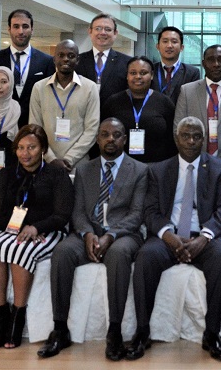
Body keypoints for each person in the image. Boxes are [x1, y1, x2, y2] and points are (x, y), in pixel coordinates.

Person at [37, 118, 148, 360]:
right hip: (89, 230)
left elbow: (137, 214)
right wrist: (87, 233)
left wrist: (110, 235)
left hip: (123, 234)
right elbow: (77, 211)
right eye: (105, 134)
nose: (110, 139)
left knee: (118, 254)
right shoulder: (85, 170)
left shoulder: (140, 170)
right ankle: (60, 329)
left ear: (125, 139)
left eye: (116, 135)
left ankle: (115, 331)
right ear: (97, 139)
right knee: (63, 252)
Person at [128, 116, 221, 362]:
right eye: (185, 136)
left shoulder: (219, 168)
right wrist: (169, 236)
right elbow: (150, 211)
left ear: (204, 140)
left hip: (205, 235)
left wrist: (204, 238)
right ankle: (142, 332)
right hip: (169, 234)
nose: (191, 141)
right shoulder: (158, 170)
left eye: (197, 136)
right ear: (176, 139)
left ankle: (212, 334)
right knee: (145, 257)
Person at [0, 124, 73, 349]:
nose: (25, 153)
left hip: (49, 231)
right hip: (14, 229)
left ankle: (17, 318)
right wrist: (20, 229)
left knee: (20, 249)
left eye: (31, 147)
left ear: (43, 149)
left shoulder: (57, 174)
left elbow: (62, 215)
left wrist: (36, 228)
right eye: (21, 148)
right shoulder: (6, 174)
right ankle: (0, 319)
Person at [28, 39, 100, 172]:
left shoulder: (90, 88)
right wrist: (51, 159)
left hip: (78, 164)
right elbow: (35, 128)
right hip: (46, 163)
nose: (66, 59)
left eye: (71, 56)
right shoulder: (39, 88)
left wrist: (69, 159)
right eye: (61, 55)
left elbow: (92, 130)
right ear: (54, 59)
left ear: (77, 60)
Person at [0, 9, 55, 127]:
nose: (21, 31)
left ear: (32, 29)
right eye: (16, 26)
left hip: (33, 125)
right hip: (1, 125)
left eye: (25, 26)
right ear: (9, 29)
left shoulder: (47, 61)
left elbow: (50, 98)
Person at [101, 57, 176, 163]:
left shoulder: (164, 102)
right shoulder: (113, 102)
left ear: (151, 75)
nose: (138, 76)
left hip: (156, 166)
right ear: (127, 76)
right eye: (133, 73)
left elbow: (172, 140)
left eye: (143, 73)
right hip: (120, 166)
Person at [76, 12, 131, 106]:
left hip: (114, 113)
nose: (102, 33)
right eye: (98, 28)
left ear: (115, 33)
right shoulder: (77, 61)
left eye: (108, 29)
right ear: (90, 31)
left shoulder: (127, 62)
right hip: (84, 113)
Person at [150, 26, 200, 105]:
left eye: (174, 42)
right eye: (165, 41)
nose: (169, 45)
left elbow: (193, 101)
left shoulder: (192, 73)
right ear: (158, 46)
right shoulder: (150, 70)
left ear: (181, 47)